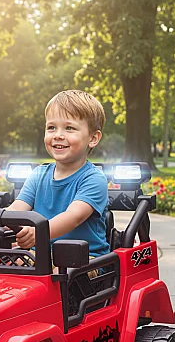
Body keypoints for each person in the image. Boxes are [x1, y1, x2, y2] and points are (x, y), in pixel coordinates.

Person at [7, 89, 110, 261]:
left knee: (60, 276)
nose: (58, 135)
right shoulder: (38, 175)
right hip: (40, 255)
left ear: (93, 138)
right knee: (5, 268)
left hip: (85, 260)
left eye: (69, 128)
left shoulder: (94, 179)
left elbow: (74, 217)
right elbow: (16, 210)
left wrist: (37, 233)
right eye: (51, 127)